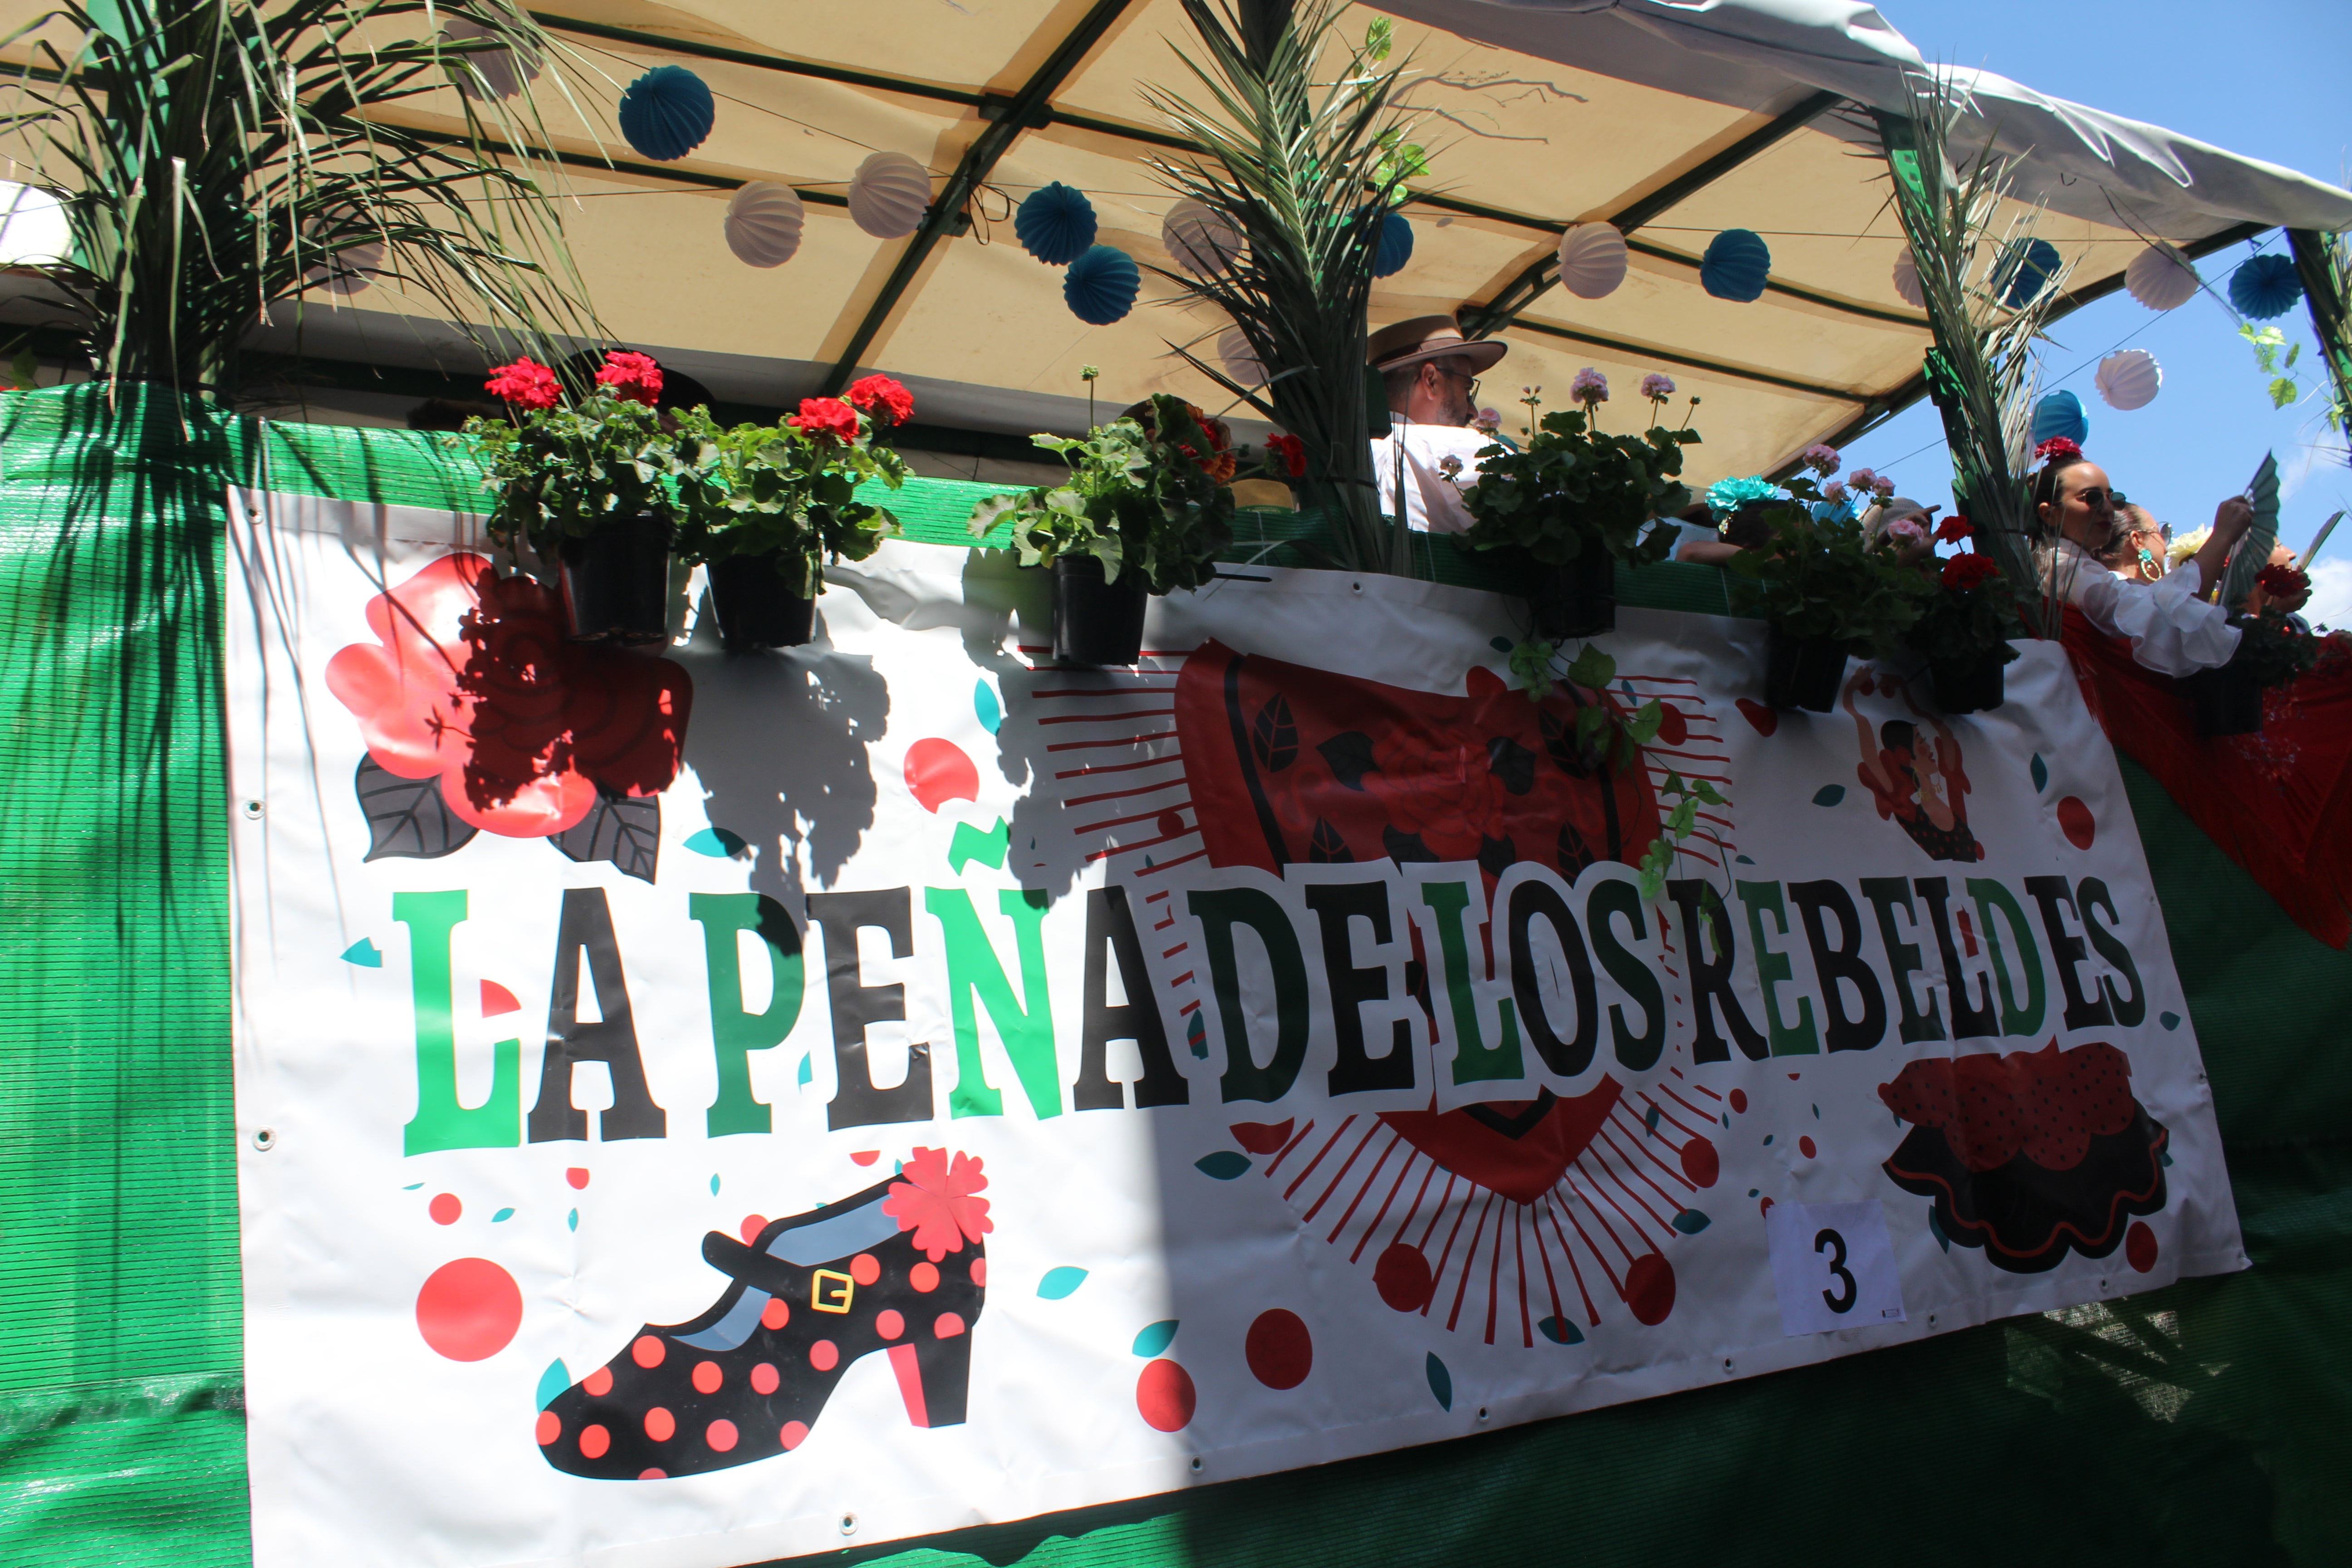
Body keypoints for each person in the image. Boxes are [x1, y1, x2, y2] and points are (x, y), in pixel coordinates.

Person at [2030, 436, 2301, 676]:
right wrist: (2221, 538)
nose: (2108, 509)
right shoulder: (2060, 566)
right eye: (2091, 498)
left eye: (2112, 497)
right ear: (2049, 513)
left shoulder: (2073, 566)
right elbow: (2162, 619)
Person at [1365, 315, 1507, 534]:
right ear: (1431, 380)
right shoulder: (1446, 445)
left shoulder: (1349, 454)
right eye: (1467, 390)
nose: (1473, 411)